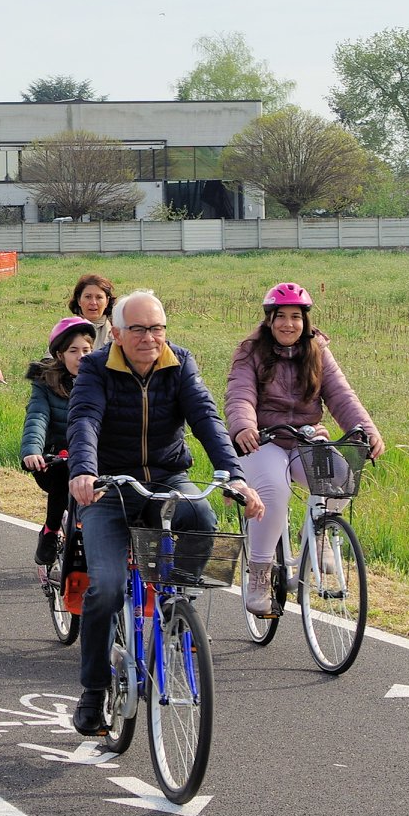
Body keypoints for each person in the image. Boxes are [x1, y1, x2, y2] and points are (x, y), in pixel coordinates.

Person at [65, 289, 264, 735]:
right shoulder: (96, 368)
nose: (150, 338)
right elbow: (85, 422)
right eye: (138, 329)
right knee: (107, 588)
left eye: (157, 328)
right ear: (116, 333)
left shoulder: (180, 362)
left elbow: (207, 419)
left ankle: (178, 609)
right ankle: (93, 692)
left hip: (168, 478)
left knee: (203, 518)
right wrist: (84, 472)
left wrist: (233, 474)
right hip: (109, 487)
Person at [224, 282, 384, 616]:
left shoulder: (318, 351)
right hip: (263, 441)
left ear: (305, 321)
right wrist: (244, 426)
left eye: (295, 317)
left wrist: (368, 433)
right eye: (280, 316)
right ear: (269, 320)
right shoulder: (250, 352)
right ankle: (259, 575)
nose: (288, 324)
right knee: (272, 491)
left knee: (341, 474)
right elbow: (240, 394)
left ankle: (322, 533)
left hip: (305, 438)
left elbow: (341, 396)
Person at [21, 317, 95, 565]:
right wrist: (32, 451)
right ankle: (51, 531)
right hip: (53, 458)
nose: (81, 356)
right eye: (73, 351)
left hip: (93, 457)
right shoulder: (46, 382)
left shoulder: (103, 380)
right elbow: (37, 417)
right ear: (60, 355)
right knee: (64, 480)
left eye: (86, 350)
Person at [67, 273, 116, 356]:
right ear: (79, 300)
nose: (93, 302)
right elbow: (48, 362)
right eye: (88, 297)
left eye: (99, 297)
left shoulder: (116, 331)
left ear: (107, 301)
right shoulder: (66, 329)